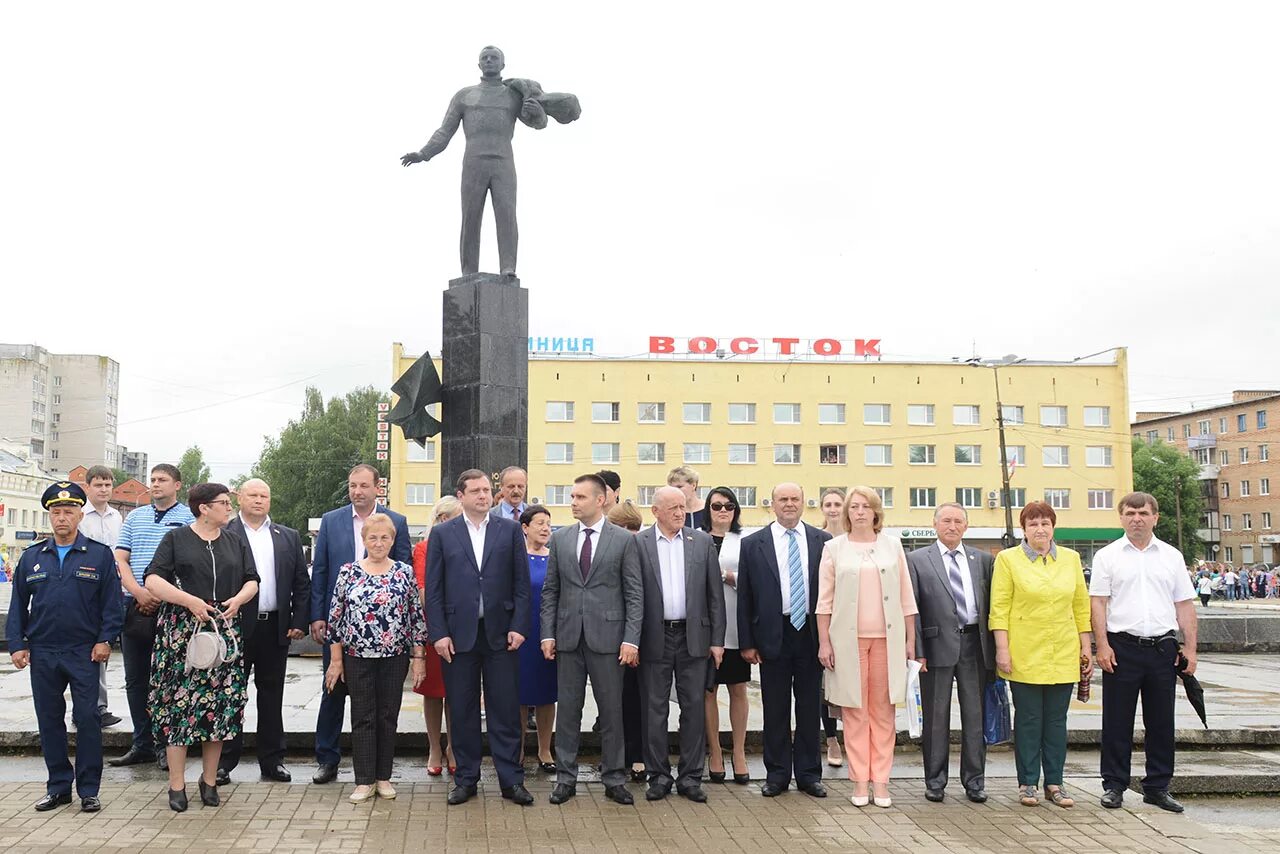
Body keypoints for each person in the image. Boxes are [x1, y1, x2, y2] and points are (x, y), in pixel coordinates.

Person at [400, 46, 579, 276]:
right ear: (478, 65)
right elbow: (444, 132)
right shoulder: (464, 96)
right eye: (484, 58)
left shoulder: (513, 95)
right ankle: (468, 272)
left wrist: (538, 113)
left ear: (503, 64)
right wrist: (424, 154)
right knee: (471, 218)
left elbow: (538, 123)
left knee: (506, 215)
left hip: (503, 162)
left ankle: (508, 267)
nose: (489, 61)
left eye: (494, 58)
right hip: (474, 163)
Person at [6, 481, 122, 813]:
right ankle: (58, 787)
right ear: (49, 516)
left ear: (79, 514)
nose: (61, 518)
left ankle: (88, 789)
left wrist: (105, 640)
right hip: (43, 651)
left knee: (87, 718)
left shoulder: (99, 555)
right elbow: (18, 606)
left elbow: (112, 605)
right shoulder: (32, 558)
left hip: (84, 651)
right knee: (49, 719)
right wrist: (17, 644)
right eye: (55, 512)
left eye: (68, 512)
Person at [145, 482, 260, 812]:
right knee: (177, 709)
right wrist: (189, 601)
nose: (229, 508)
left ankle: (209, 781)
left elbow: (253, 579)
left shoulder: (235, 541)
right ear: (204, 508)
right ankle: (176, 785)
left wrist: (239, 599)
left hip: (223, 629)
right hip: (182, 632)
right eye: (224, 503)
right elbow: (153, 579)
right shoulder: (176, 539)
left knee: (220, 709)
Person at [425, 469, 533, 806]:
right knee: (462, 710)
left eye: (487, 490)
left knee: (504, 709)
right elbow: (435, 589)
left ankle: (510, 781)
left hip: (501, 635)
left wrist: (519, 626)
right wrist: (439, 633)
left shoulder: (510, 530)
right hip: (458, 637)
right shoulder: (443, 534)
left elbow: (521, 584)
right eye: (476, 491)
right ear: (461, 495)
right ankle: (466, 779)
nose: (484, 496)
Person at [1090, 492, 1199, 813]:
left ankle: (1157, 787)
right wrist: (1102, 645)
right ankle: (1114, 785)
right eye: (1130, 513)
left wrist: (1191, 648)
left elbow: (1184, 604)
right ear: (1121, 518)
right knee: (1116, 721)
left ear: (1155, 517)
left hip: (1162, 649)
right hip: (1121, 648)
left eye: (1143, 513)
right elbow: (1098, 602)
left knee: (1162, 721)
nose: (1136, 518)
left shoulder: (1171, 556)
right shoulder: (1107, 556)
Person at [540, 473, 643, 806]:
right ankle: (566, 778)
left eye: (580, 497)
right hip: (569, 639)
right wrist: (548, 633)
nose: (572, 502)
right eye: (571, 496)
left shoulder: (624, 540)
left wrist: (631, 639)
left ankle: (614, 778)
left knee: (612, 713)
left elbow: (634, 593)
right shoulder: (561, 539)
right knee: (568, 712)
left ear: (600, 500)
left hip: (610, 641)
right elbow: (551, 590)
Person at [309, 463, 411, 784]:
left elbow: (404, 572)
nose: (357, 491)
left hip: (386, 633)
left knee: (378, 704)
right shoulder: (331, 521)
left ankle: (374, 768)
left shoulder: (397, 522)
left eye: (363, 486)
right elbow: (321, 571)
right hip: (342, 628)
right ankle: (327, 758)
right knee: (333, 688)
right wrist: (318, 616)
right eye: (353, 486)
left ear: (377, 488)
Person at [817, 486, 918, 808]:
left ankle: (882, 782)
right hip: (848, 643)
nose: (859, 511)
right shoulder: (833, 548)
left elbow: (906, 598)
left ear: (876, 512)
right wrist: (824, 642)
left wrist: (910, 641)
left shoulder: (892, 545)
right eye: (854, 506)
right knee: (855, 712)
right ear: (847, 513)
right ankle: (860, 781)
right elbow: (824, 602)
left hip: (887, 641)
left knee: (884, 712)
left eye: (866, 506)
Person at [989, 501, 1092, 809]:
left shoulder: (1071, 559)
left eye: (1045, 523)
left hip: (1062, 652)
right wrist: (1002, 650)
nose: (1040, 529)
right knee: (1029, 721)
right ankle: (1028, 783)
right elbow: (1000, 608)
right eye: (1033, 524)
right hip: (1024, 653)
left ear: (1053, 527)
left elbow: (1080, 606)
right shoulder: (1008, 560)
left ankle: (1055, 783)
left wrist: (1086, 647)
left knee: (1057, 722)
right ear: (1024, 529)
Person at [737, 482, 832, 799]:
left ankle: (808, 775)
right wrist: (747, 642)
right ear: (772, 504)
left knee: (809, 707)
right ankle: (777, 774)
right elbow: (745, 597)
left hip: (811, 632)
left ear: (804, 503)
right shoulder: (753, 544)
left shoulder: (823, 541)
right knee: (775, 708)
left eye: (795, 499)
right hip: (772, 634)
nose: (789, 504)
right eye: (782, 499)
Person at [325, 514, 428, 803]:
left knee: (387, 717)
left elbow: (416, 618)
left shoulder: (404, 573)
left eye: (385, 538)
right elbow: (336, 618)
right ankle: (363, 780)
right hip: (357, 657)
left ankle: (383, 777)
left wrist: (418, 657)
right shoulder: (349, 572)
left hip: (394, 657)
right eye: (373, 537)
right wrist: (336, 660)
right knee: (363, 717)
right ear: (364, 540)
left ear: (393, 541)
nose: (379, 543)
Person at [217, 479, 310, 785]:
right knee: (231, 695)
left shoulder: (287, 536)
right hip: (235, 627)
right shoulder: (223, 533)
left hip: (275, 627)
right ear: (239, 498)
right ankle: (223, 761)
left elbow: (300, 582)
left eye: (264, 495)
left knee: (272, 695)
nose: (259, 500)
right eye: (253, 495)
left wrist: (299, 621)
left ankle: (272, 760)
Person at [635, 486, 725, 802]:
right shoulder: (639, 543)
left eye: (682, 506)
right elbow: (632, 596)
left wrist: (717, 640)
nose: (679, 512)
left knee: (693, 708)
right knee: (654, 709)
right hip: (654, 637)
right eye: (672, 507)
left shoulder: (701, 542)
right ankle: (658, 776)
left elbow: (715, 596)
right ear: (655, 511)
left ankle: (690, 778)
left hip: (694, 637)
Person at [906, 502, 995, 804]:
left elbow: (991, 608)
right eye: (946, 520)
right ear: (934, 524)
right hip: (935, 647)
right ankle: (935, 781)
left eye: (958, 521)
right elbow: (913, 610)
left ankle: (974, 781)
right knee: (936, 717)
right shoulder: (916, 560)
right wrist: (917, 652)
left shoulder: (982, 560)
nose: (952, 526)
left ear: (966, 527)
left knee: (975, 716)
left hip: (974, 646)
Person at [110, 463, 195, 770]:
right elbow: (121, 557)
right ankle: (141, 743)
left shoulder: (187, 517)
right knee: (136, 680)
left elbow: (189, 563)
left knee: (169, 680)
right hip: (135, 605)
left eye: (162, 480)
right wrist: (139, 591)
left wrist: (160, 593)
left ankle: (166, 744)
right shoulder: (135, 516)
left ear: (177, 485)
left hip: (173, 609)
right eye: (153, 480)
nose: (155, 484)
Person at [702, 487, 750, 785]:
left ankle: (741, 752)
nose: (722, 511)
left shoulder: (745, 542)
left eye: (728, 506)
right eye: (716, 505)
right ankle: (715, 751)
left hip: (734, 627)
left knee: (737, 689)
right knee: (709, 691)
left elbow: (757, 581)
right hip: (705, 628)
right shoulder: (695, 537)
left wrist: (727, 577)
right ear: (707, 508)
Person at [412, 497, 461, 776]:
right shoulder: (424, 549)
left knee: (456, 692)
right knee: (432, 693)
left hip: (462, 628)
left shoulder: (467, 546)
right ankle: (434, 746)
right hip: (433, 627)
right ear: (443, 519)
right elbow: (422, 592)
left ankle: (453, 746)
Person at [78, 465, 123, 728]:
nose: (104, 489)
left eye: (107, 485)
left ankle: (99, 706)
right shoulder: (81, 515)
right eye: (98, 485)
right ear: (88, 487)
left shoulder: (117, 516)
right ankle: (85, 706)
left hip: (111, 586)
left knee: (102, 644)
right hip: (85, 586)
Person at [606, 499, 648, 782]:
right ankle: (630, 757)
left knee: (630, 698)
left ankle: (633, 756)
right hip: (617, 633)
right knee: (624, 698)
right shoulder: (637, 544)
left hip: (634, 633)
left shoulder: (634, 546)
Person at [519, 505, 557, 773]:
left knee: (546, 695)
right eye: (539, 523)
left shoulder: (555, 558)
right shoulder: (516, 558)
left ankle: (545, 749)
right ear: (525, 527)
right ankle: (517, 749)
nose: (545, 528)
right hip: (521, 634)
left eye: (548, 523)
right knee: (519, 695)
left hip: (548, 635)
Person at [818, 487, 845, 768]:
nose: (833, 508)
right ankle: (831, 738)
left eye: (838, 503)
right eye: (828, 503)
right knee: (825, 685)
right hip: (827, 618)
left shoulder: (854, 538)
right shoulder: (819, 540)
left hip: (852, 619)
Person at [668, 465, 709, 531]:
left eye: (679, 487)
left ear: (693, 485)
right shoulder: (671, 513)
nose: (676, 491)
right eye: (673, 488)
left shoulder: (709, 509)